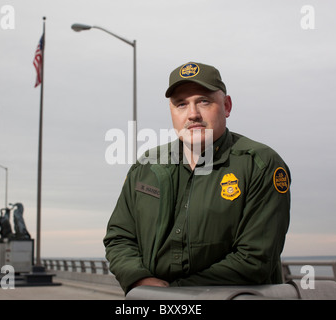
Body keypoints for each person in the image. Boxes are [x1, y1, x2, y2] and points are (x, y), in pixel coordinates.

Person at [103, 61, 291, 294]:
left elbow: (255, 258)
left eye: (203, 101)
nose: (193, 114)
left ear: (227, 105)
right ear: (172, 112)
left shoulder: (260, 164)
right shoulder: (146, 167)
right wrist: (139, 280)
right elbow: (119, 237)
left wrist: (172, 294)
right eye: (181, 104)